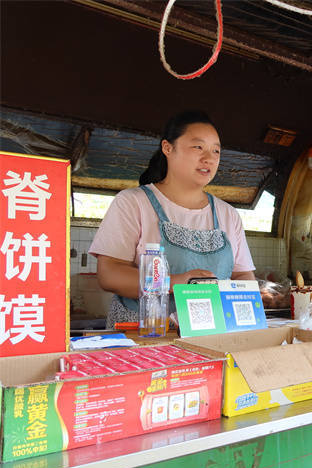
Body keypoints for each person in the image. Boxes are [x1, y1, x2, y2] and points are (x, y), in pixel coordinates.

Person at [90, 110, 256, 327]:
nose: (209, 158)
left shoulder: (228, 214)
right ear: (168, 148)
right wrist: (175, 283)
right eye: (198, 147)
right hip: (143, 335)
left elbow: (244, 276)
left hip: (210, 334)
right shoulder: (134, 202)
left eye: (216, 150)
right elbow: (109, 274)